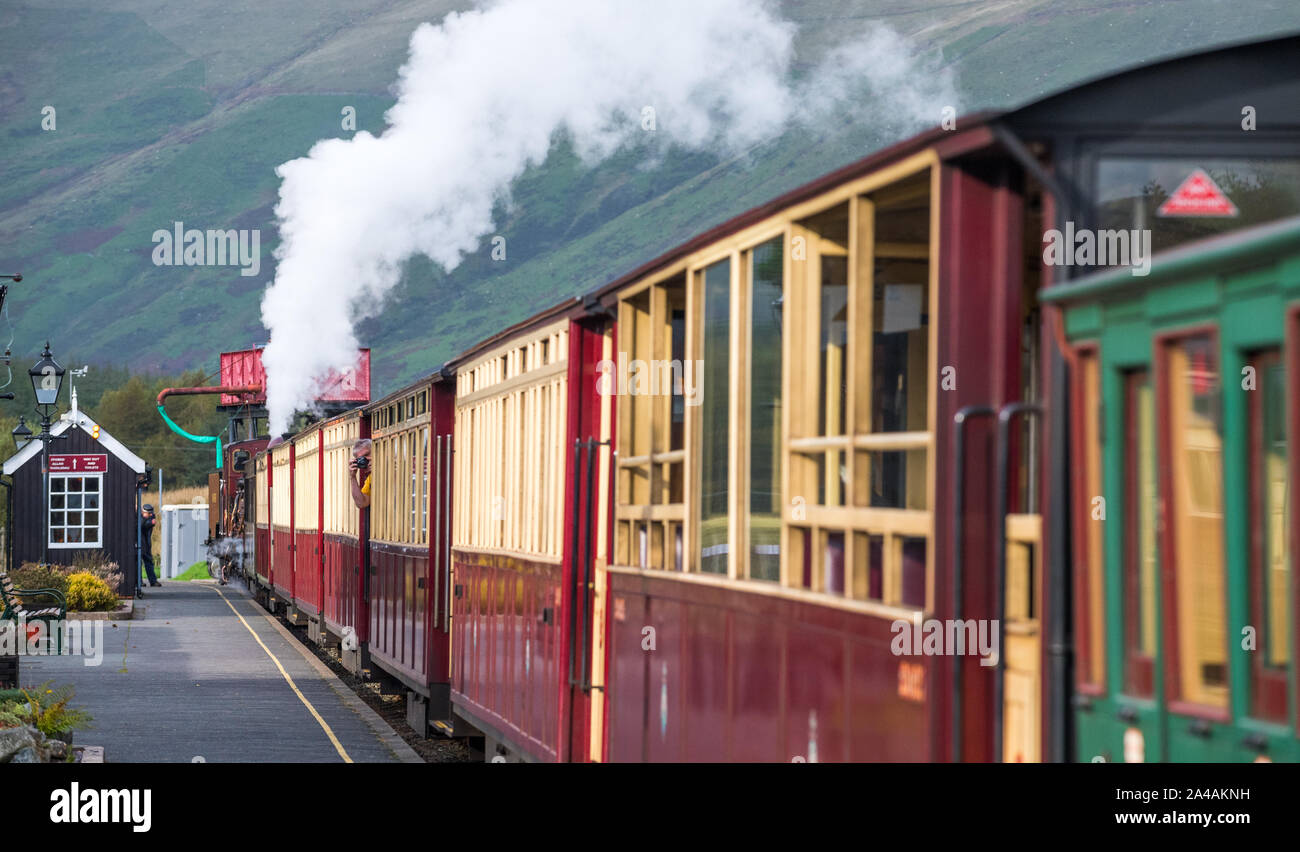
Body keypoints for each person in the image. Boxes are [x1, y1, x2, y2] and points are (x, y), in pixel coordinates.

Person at [139, 504, 160, 594]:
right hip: (140, 543)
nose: (151, 515)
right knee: (138, 563)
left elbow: (145, 526)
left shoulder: (150, 518)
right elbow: (142, 526)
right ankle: (139, 581)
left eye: (151, 513)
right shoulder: (141, 519)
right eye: (148, 513)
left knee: (148, 562)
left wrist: (148, 520)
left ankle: (153, 581)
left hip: (146, 544)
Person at [349, 438, 372, 509]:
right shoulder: (371, 478)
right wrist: (353, 477)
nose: (365, 460)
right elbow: (361, 503)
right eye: (361, 459)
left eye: (367, 455)